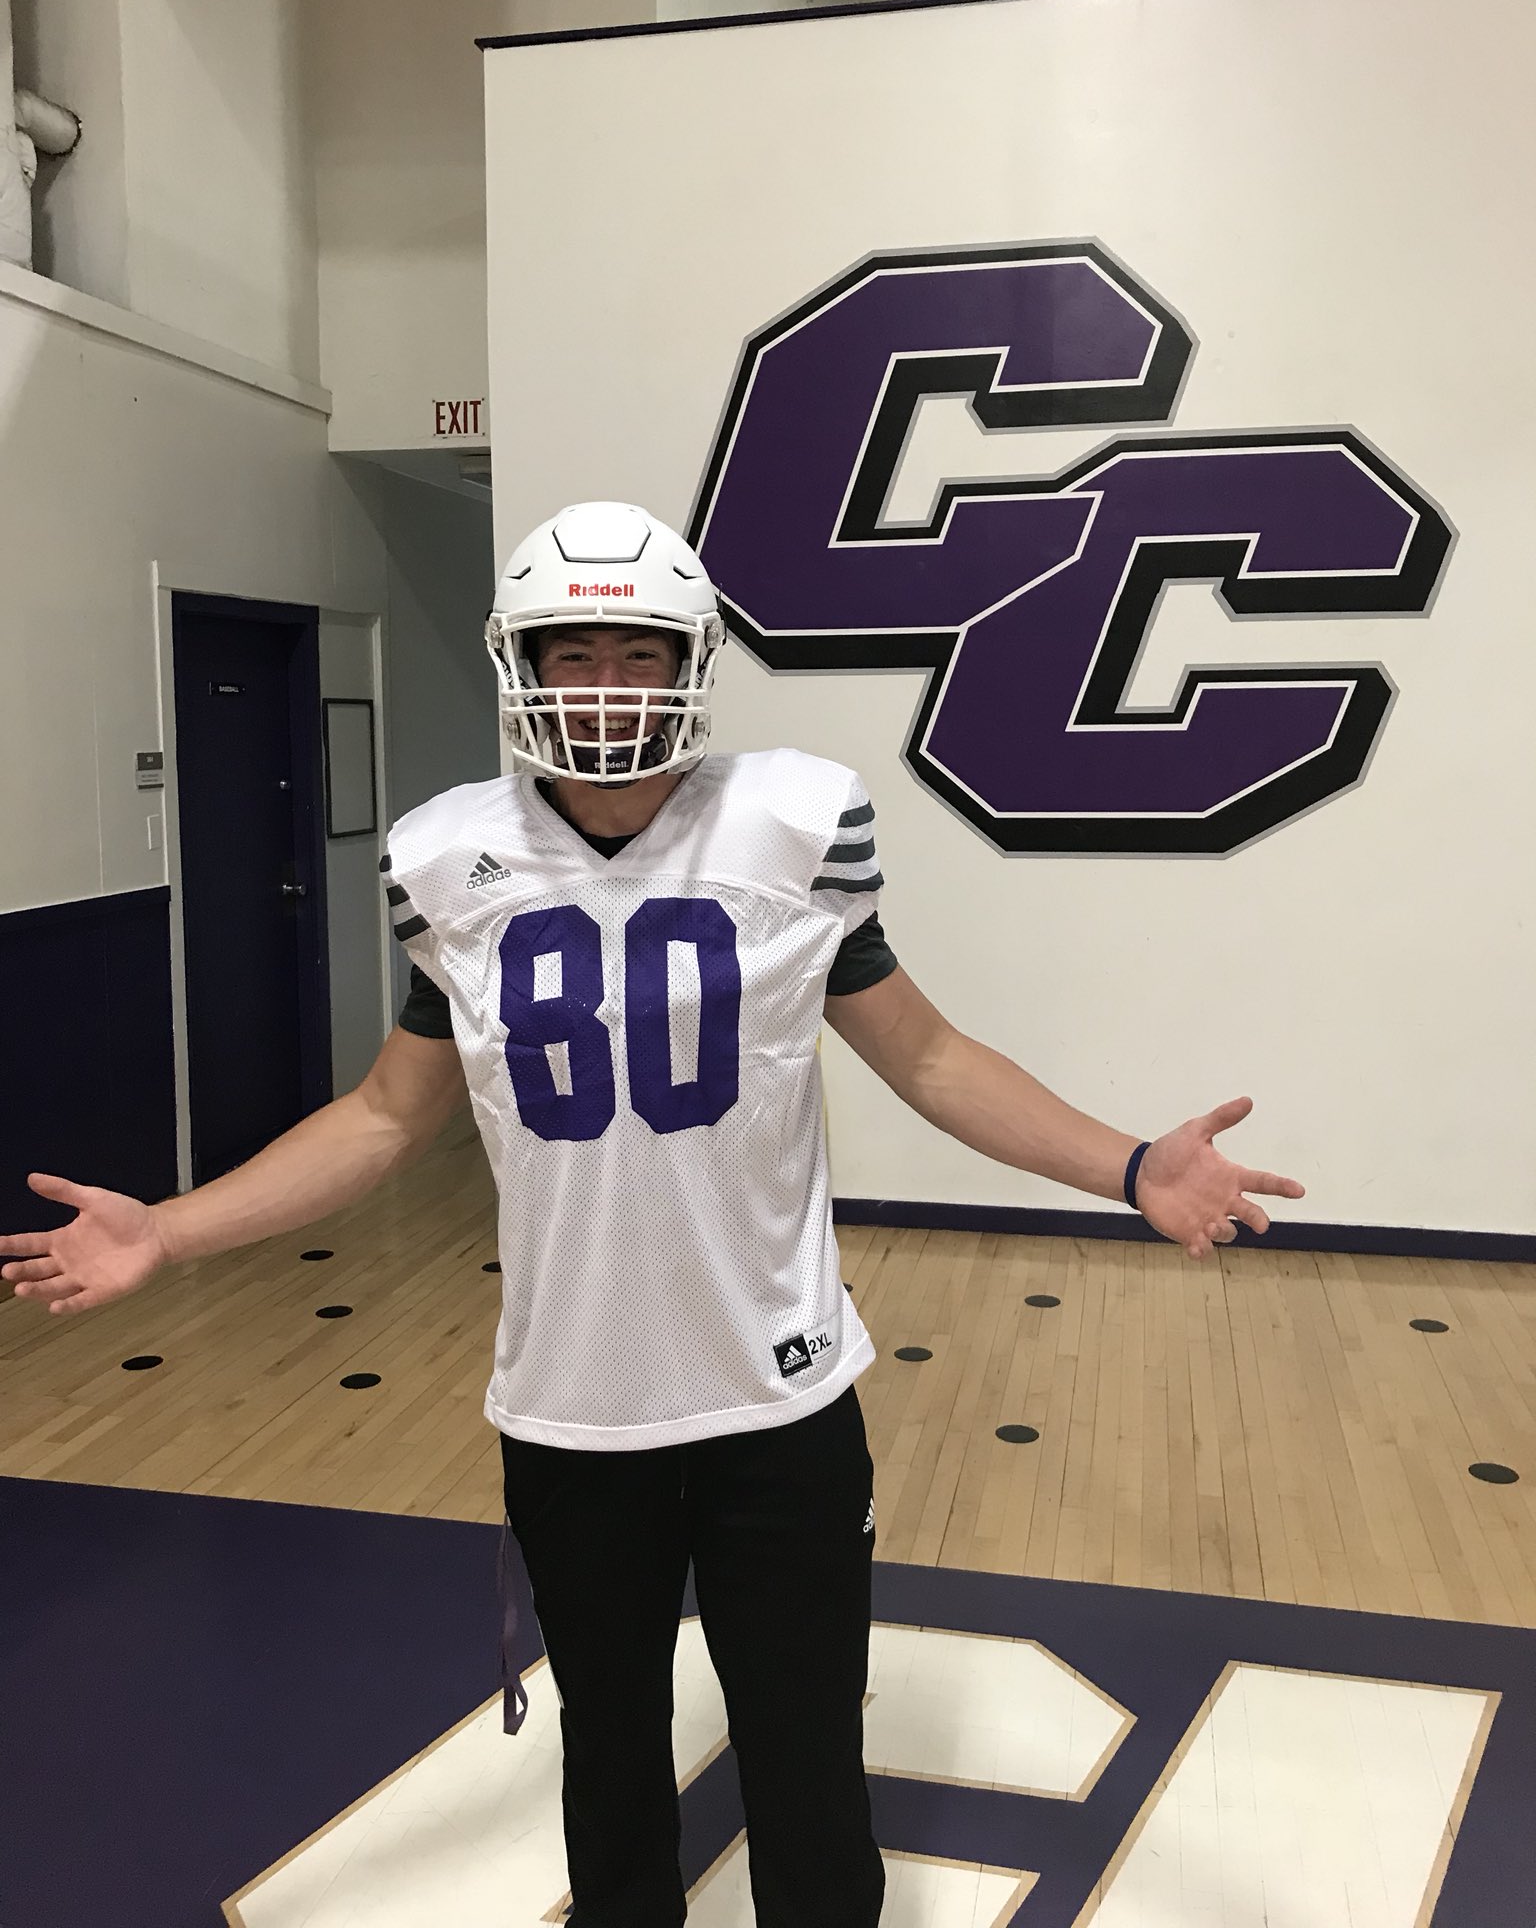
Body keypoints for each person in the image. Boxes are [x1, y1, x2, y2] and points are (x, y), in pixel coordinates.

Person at [2, 500, 1304, 1928]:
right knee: (608, 1756)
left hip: (778, 1393)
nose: (608, 683)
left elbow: (929, 1058)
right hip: (575, 1406)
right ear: (527, 668)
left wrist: (1129, 1166)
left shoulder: (795, 828)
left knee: (807, 1752)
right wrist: (170, 1232)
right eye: (576, 652)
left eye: (639, 650)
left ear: (689, 662)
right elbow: (384, 1115)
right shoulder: (450, 864)